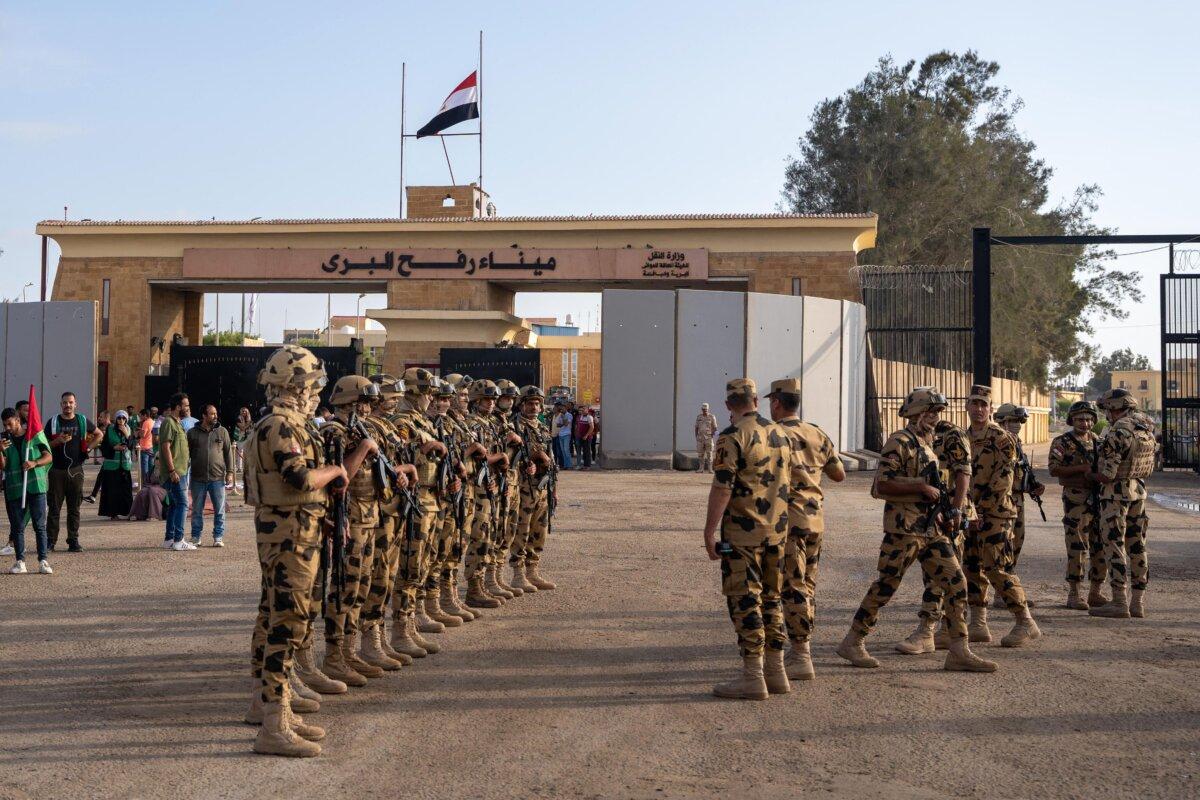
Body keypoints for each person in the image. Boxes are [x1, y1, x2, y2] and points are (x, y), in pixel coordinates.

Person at [836, 387, 996, 673]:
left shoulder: (928, 443)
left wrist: (952, 511)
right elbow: (880, 486)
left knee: (957, 583)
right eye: (931, 412)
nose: (935, 418)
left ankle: (959, 650)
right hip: (904, 529)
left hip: (932, 529)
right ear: (916, 413)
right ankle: (853, 641)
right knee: (886, 586)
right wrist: (919, 487)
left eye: (937, 413)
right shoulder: (900, 441)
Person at [244, 345, 346, 758]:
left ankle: (270, 707)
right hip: (288, 538)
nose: (315, 394)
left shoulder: (284, 424)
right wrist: (336, 471)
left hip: (292, 530)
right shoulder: (281, 426)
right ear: (293, 386)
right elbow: (300, 478)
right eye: (310, 386)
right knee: (286, 624)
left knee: (273, 616)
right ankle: (273, 724)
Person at [703, 378, 793, 699]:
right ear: (756, 399)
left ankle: (753, 676)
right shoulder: (781, 433)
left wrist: (710, 531)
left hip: (742, 535)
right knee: (772, 598)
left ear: (729, 405)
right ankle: (776, 671)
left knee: (744, 598)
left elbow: (723, 486)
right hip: (777, 531)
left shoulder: (731, 436)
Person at [766, 378, 845, 680]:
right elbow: (838, 474)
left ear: (776, 402)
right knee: (806, 586)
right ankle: (800, 649)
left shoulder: (772, 435)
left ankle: (801, 654)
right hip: (814, 520)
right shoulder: (817, 433)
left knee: (792, 586)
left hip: (787, 522)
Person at [962, 385, 1040, 647]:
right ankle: (978, 623)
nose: (979, 409)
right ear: (967, 406)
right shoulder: (963, 437)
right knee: (972, 567)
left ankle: (1025, 621)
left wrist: (981, 510)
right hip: (971, 514)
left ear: (991, 409)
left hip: (996, 513)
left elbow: (1003, 480)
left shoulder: (1002, 438)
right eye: (974, 403)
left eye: (984, 404)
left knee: (998, 567)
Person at [387, 368, 448, 658]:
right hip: (415, 501)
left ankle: (412, 623)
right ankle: (400, 630)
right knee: (410, 567)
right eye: (426, 393)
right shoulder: (402, 421)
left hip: (431, 497)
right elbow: (398, 460)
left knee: (423, 563)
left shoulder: (422, 420)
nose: (430, 398)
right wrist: (428, 447)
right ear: (412, 393)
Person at [1088, 389, 1156, 619]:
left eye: (1107, 408)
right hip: (1138, 492)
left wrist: (1089, 475)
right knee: (1137, 546)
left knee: (1114, 545)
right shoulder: (1145, 425)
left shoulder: (1119, 430)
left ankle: (1119, 602)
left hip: (1115, 495)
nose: (1106, 413)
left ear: (1113, 408)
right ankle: (1138, 602)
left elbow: (1107, 474)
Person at [1048, 401, 1107, 610]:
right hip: (1075, 500)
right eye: (1081, 419)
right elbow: (1053, 469)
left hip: (1098, 499)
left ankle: (1096, 591)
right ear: (1072, 420)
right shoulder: (1062, 442)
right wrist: (1082, 469)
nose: (1085, 423)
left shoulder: (1099, 442)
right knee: (1077, 546)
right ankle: (1074, 593)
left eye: (1090, 419)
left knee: (1100, 546)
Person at [511, 385, 557, 593]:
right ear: (521, 405)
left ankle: (533, 571)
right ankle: (518, 574)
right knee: (522, 529)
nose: (534, 407)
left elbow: (550, 457)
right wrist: (533, 457)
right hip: (524, 486)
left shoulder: (542, 427)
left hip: (543, 485)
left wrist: (554, 487)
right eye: (530, 403)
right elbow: (512, 457)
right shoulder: (515, 427)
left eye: (537, 403)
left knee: (539, 531)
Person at [993, 403, 1045, 584]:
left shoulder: (1017, 443)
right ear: (1001, 422)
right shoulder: (995, 442)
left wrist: (1032, 486)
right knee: (1002, 545)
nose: (1017, 424)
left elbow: (1020, 472)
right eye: (1012, 420)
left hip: (1017, 500)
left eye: (1019, 421)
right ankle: (1004, 590)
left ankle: (1009, 586)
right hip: (999, 501)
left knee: (1016, 543)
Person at [46, 391, 101, 553]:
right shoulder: (53, 421)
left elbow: (99, 434)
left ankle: (73, 541)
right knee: (54, 508)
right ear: (60, 404)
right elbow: (43, 445)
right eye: (64, 402)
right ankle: (51, 541)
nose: (67, 405)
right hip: (56, 470)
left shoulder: (82, 420)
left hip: (76, 471)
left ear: (75, 404)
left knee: (74, 508)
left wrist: (89, 448)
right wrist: (58, 441)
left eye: (70, 402)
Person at [2, 407, 54, 574]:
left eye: (10, 424)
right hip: (15, 489)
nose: (7, 428)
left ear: (18, 420)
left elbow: (49, 456)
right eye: (4, 425)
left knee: (40, 525)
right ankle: (20, 562)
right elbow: (3, 466)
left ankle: (43, 561)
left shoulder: (34, 435)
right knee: (17, 526)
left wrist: (35, 462)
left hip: (36, 486)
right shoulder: (4, 440)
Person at [186, 404, 233, 547]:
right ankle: (196, 537)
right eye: (212, 414)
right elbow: (186, 454)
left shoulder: (222, 432)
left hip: (217, 478)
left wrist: (230, 472)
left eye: (215, 413)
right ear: (204, 416)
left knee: (219, 510)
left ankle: (218, 536)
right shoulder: (192, 433)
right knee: (197, 510)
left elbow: (228, 453)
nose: (215, 416)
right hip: (197, 478)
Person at [158, 393, 193, 551]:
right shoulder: (168, 423)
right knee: (183, 503)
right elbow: (165, 447)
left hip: (181, 472)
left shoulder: (178, 423)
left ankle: (169, 538)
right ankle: (179, 540)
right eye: (185, 405)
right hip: (175, 473)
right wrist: (172, 471)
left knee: (173, 504)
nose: (187, 408)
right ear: (178, 407)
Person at [96, 410, 135, 519]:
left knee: (126, 491)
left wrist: (127, 435)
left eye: (123, 418)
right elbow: (104, 447)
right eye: (119, 418)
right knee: (113, 491)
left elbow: (132, 446)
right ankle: (113, 514)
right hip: (112, 466)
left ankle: (128, 512)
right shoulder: (110, 429)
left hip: (125, 465)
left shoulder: (128, 429)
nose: (121, 420)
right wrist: (114, 448)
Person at [695, 403, 719, 473]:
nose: (704, 411)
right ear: (702, 409)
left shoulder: (712, 417)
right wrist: (696, 436)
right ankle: (701, 468)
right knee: (700, 454)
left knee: (709, 454)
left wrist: (715, 436)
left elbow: (715, 428)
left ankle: (710, 469)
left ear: (708, 409)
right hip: (700, 438)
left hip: (709, 438)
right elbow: (696, 427)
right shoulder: (699, 417)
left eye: (705, 409)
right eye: (703, 409)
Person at [551, 403, 573, 469]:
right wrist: (563, 422)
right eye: (560, 408)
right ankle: (565, 465)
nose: (561, 410)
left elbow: (566, 424)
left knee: (566, 450)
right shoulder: (560, 415)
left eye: (562, 408)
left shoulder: (569, 415)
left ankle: (569, 465)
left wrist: (563, 419)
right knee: (563, 451)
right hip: (560, 434)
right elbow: (558, 425)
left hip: (567, 434)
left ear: (565, 408)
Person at [138, 408, 155, 485]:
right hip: (151, 446)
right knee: (151, 466)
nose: (140, 417)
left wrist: (139, 432)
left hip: (145, 447)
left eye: (141, 415)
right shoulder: (153, 421)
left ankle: (145, 483)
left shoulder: (146, 423)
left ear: (145, 415)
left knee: (144, 467)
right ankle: (150, 481)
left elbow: (143, 435)